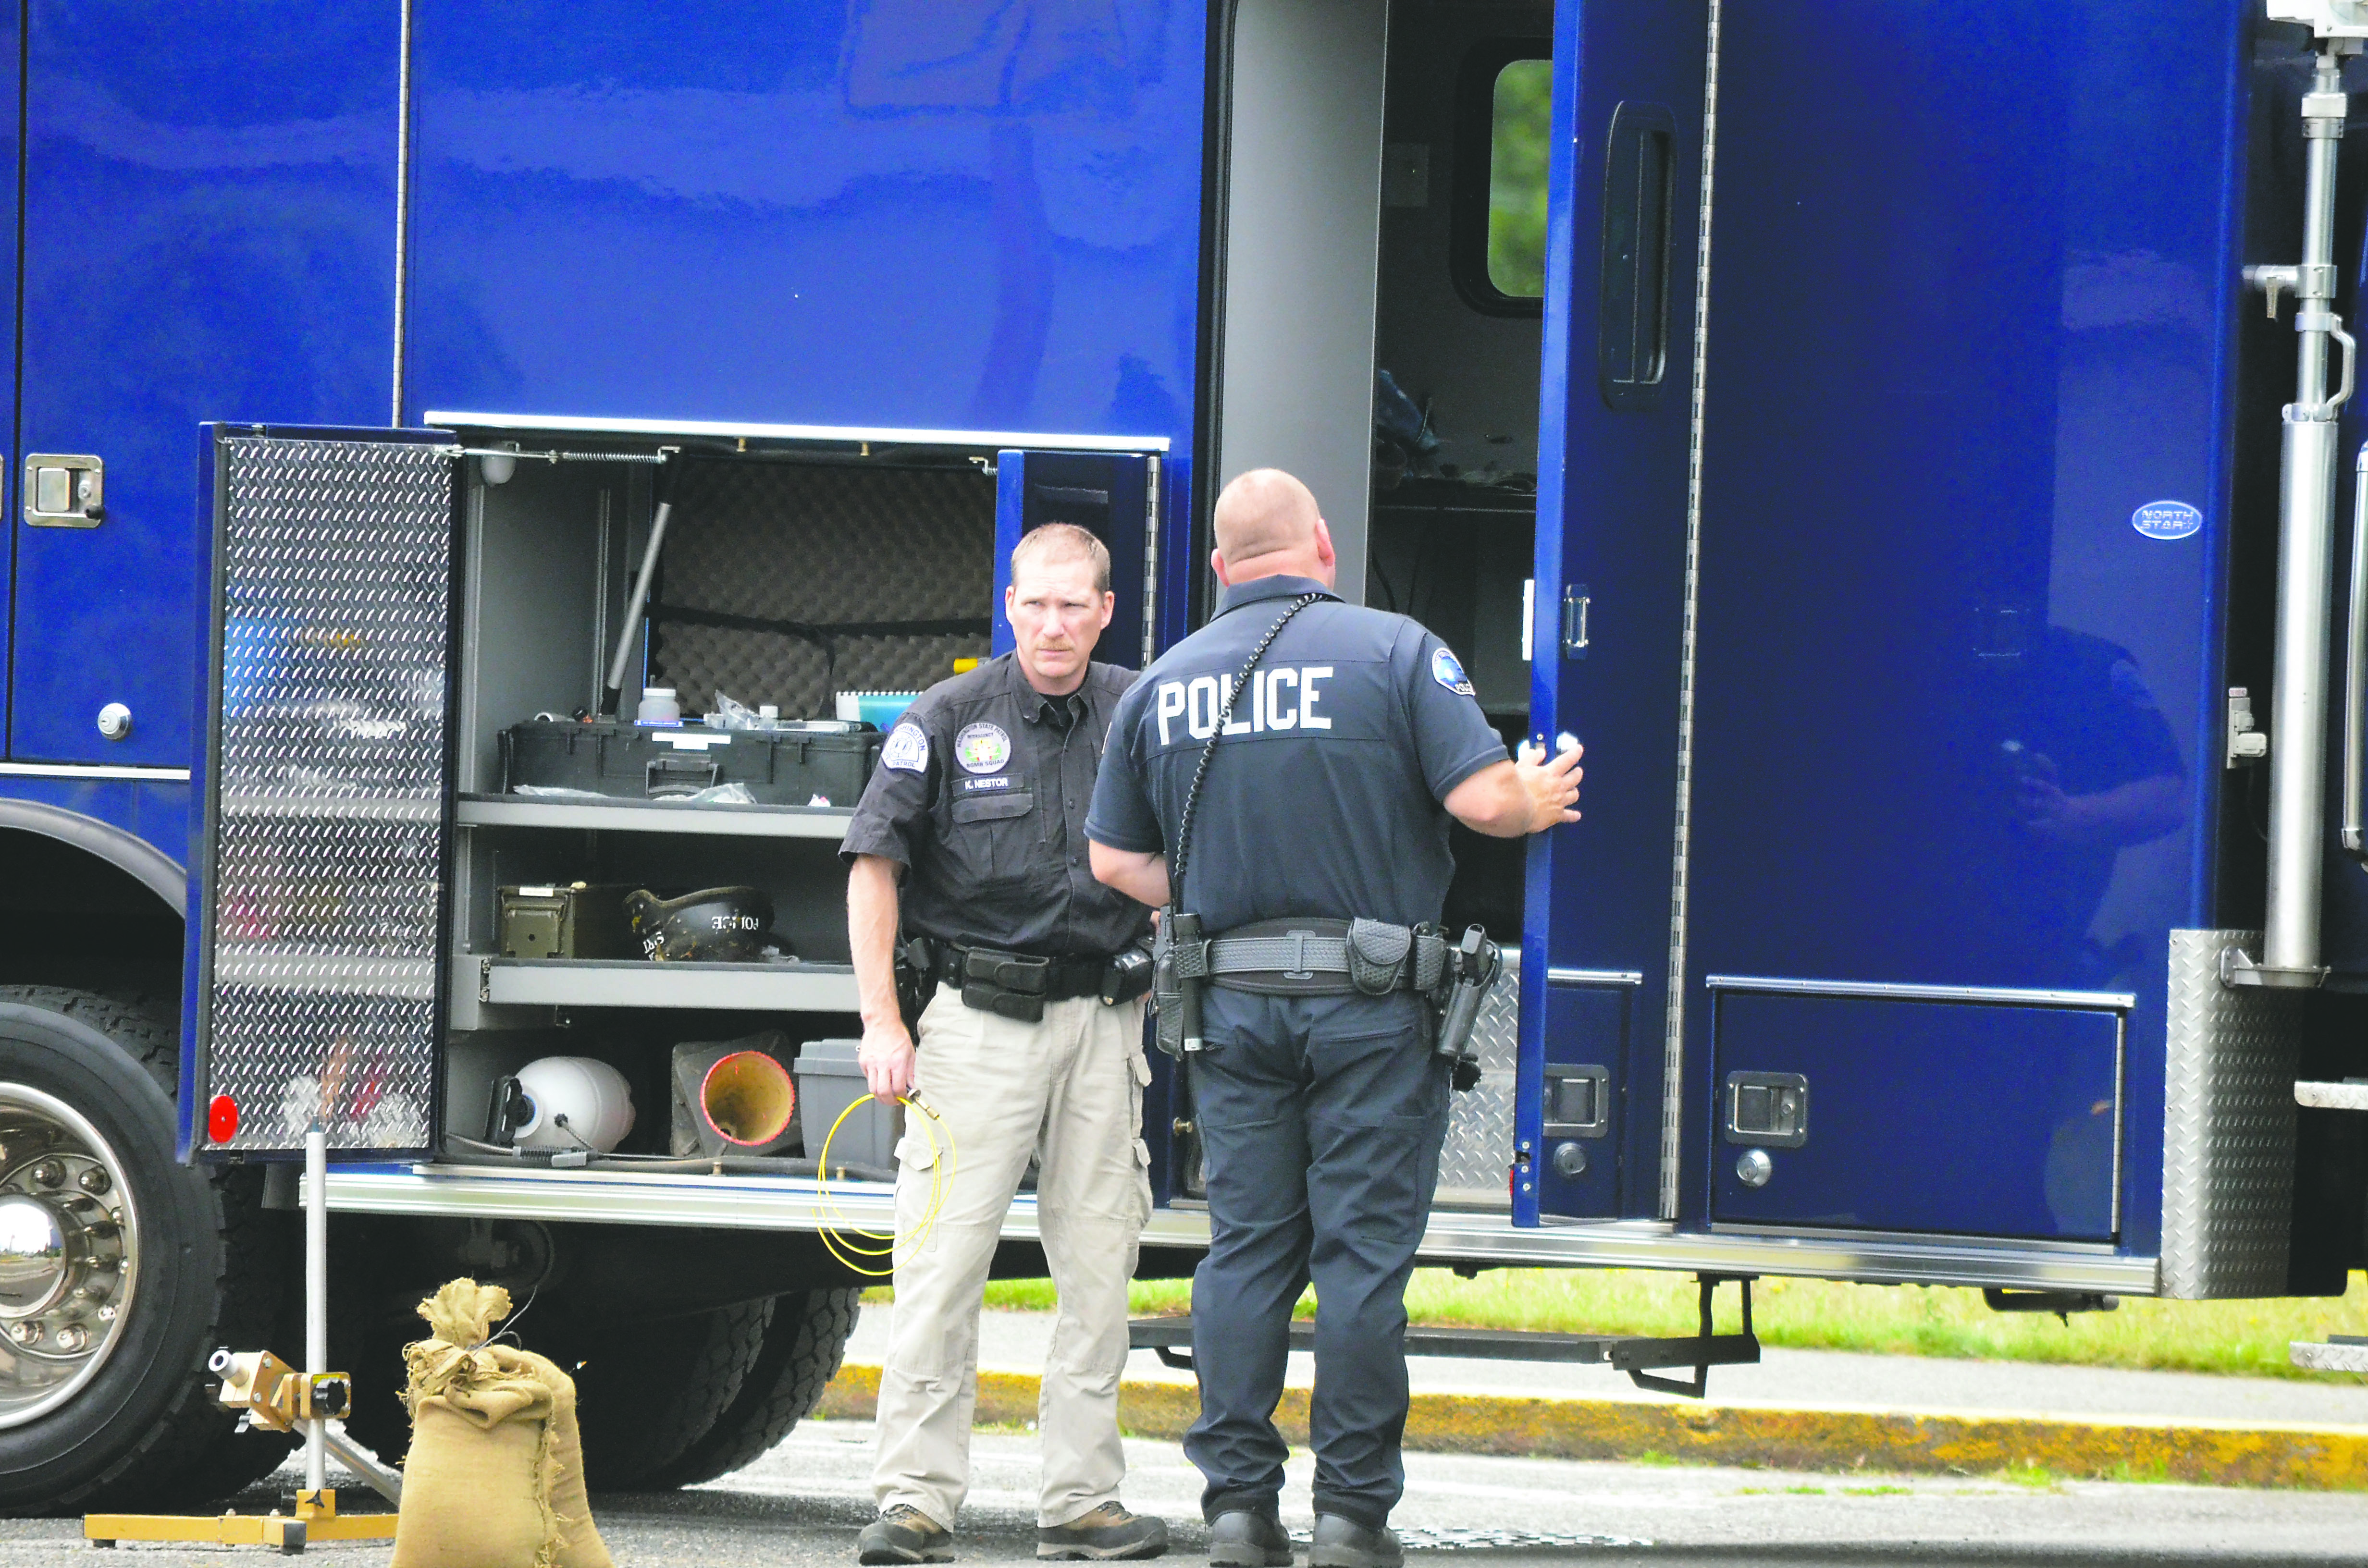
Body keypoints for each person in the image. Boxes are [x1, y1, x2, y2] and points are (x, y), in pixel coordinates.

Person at [1084, 470, 1581, 1568]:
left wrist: (1222, 895)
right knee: (1358, 1264)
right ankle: (1352, 1519)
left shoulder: (1161, 684)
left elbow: (1114, 860)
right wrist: (1535, 797)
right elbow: (1482, 800)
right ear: (1321, 545)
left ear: (1219, 565)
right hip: (1373, 1013)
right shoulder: (1396, 652)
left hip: (1230, 1013)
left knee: (1247, 1255)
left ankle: (1236, 1512)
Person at [840, 522, 1168, 1566]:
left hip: (1105, 1025)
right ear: (1010, 605)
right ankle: (915, 1502)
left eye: (1073, 605)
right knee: (941, 1266)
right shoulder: (947, 717)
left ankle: (1082, 1501)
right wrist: (883, 1022)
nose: (1052, 625)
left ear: (1105, 612)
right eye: (1035, 604)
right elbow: (873, 866)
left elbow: (1197, 847)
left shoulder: (1143, 710)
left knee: (1099, 1269)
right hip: (975, 1026)